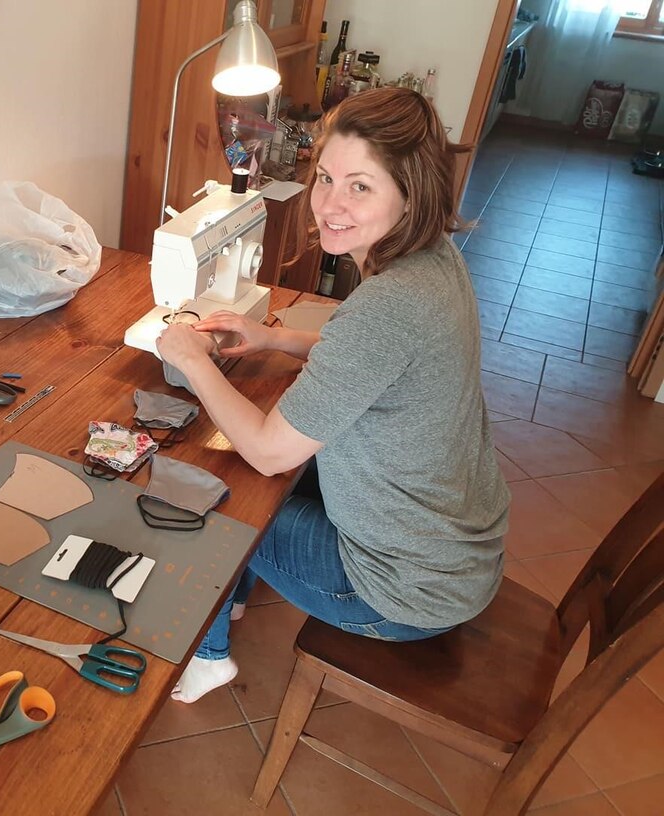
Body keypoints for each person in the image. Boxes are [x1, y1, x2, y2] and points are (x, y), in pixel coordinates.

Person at [156, 87, 511, 704]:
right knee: (270, 469)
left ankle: (207, 656)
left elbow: (269, 451)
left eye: (360, 186)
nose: (329, 204)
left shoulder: (388, 307)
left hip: (400, 593)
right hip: (452, 553)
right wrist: (275, 338)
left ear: (411, 192)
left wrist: (191, 359)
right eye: (325, 177)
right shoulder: (435, 260)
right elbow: (376, 366)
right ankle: (232, 596)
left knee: (210, 492)